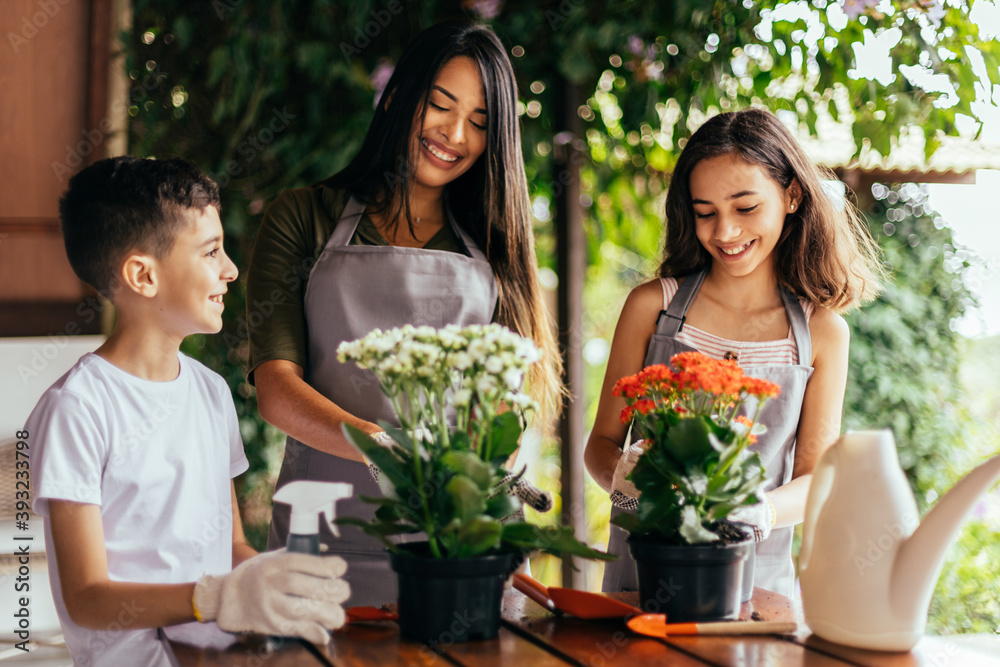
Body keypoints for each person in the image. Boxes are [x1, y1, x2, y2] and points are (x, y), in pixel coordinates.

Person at [246, 20, 561, 606]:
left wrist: (485, 468)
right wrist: (382, 446)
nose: (455, 134)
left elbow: (506, 404)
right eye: (440, 105)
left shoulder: (495, 245)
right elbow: (276, 389)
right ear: (396, 97)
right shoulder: (303, 217)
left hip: (459, 546)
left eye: (480, 122)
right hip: (324, 544)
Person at [27, 157, 350, 666]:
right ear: (142, 275)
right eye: (211, 251)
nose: (231, 269)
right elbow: (86, 599)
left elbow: (231, 548)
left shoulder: (211, 392)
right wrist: (213, 598)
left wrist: (276, 585)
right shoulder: (77, 408)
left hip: (223, 655)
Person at [585, 108, 884, 598]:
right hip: (643, 575)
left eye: (745, 208)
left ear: (792, 195)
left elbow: (815, 478)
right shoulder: (651, 308)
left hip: (755, 585)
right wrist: (628, 484)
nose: (724, 232)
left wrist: (759, 513)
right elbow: (601, 444)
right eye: (705, 213)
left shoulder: (823, 333)